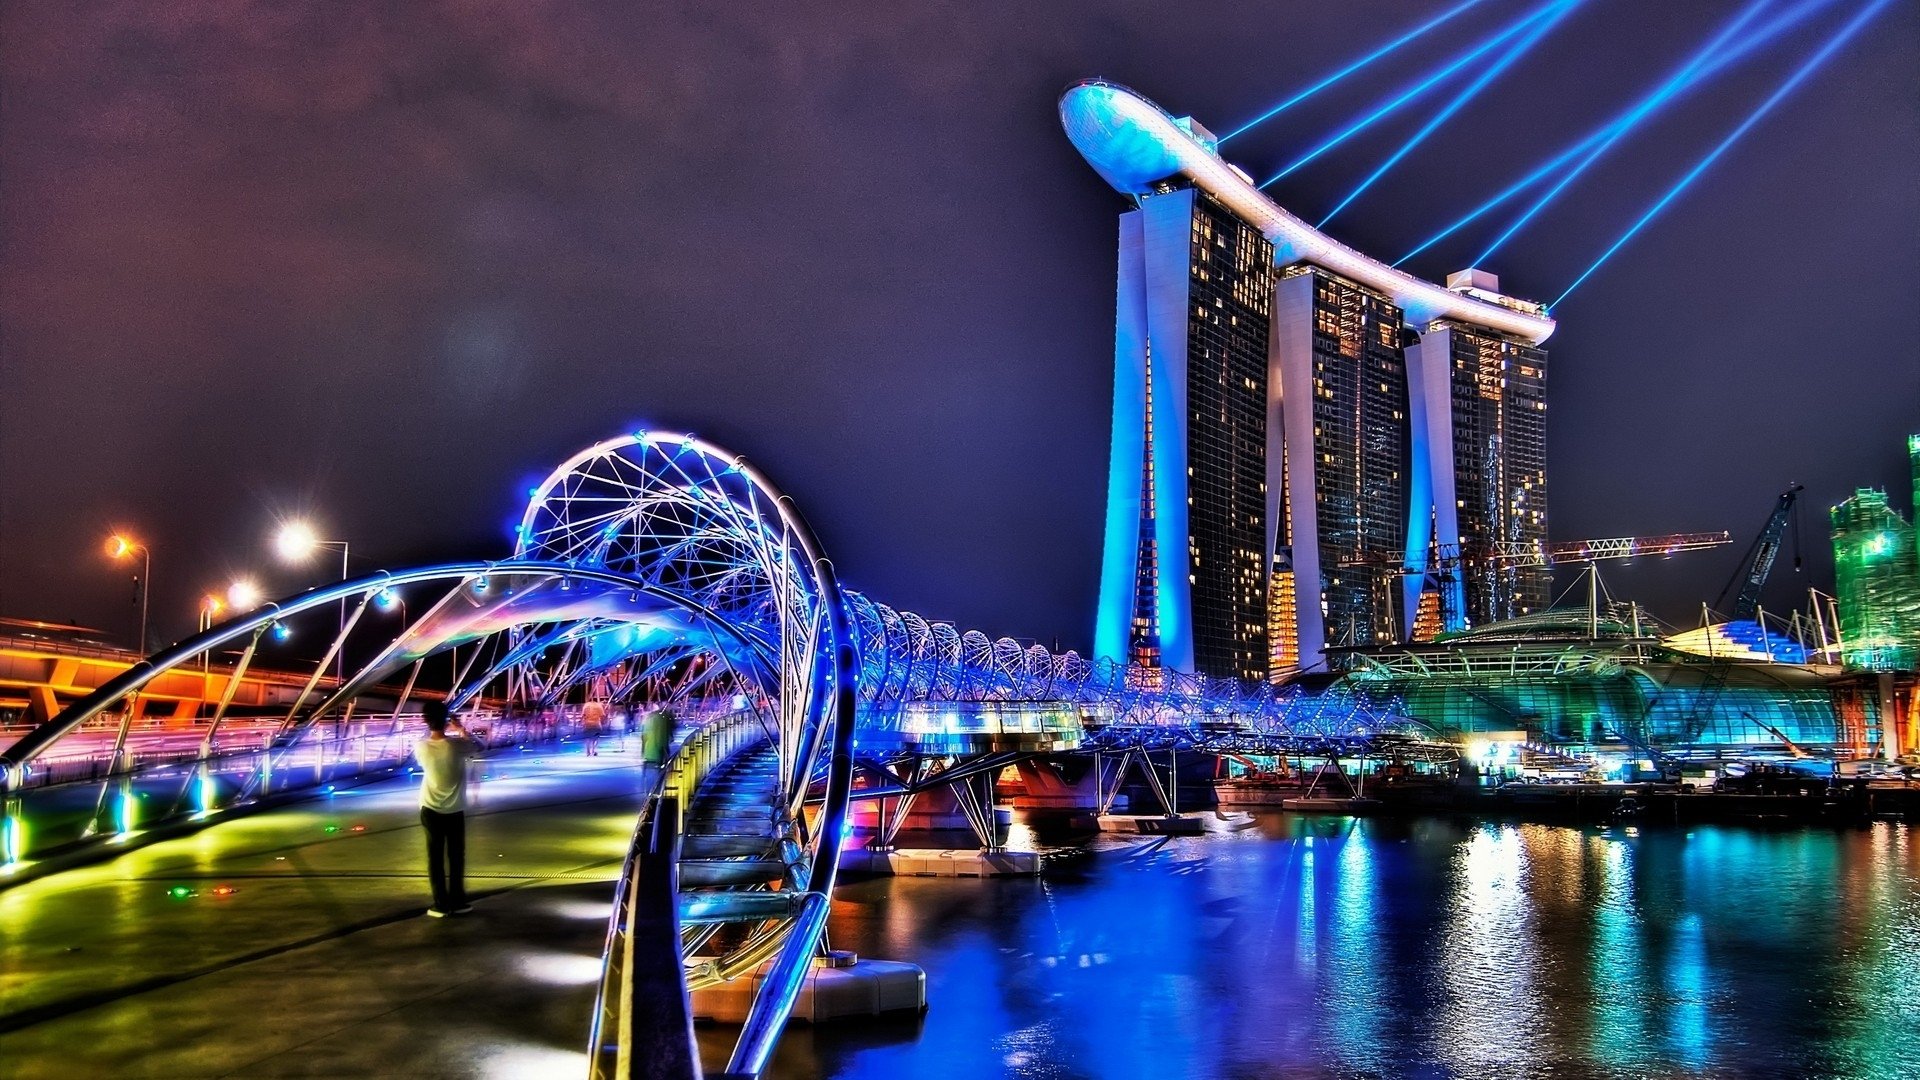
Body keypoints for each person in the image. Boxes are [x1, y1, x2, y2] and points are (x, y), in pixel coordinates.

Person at [414, 699, 476, 917]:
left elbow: (425, 762)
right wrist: (459, 728)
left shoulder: (420, 746)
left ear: (426, 721)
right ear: (446, 720)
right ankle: (458, 901)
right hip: (455, 809)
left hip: (430, 808)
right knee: (457, 856)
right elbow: (479, 746)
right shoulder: (457, 746)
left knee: (435, 857)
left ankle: (440, 904)